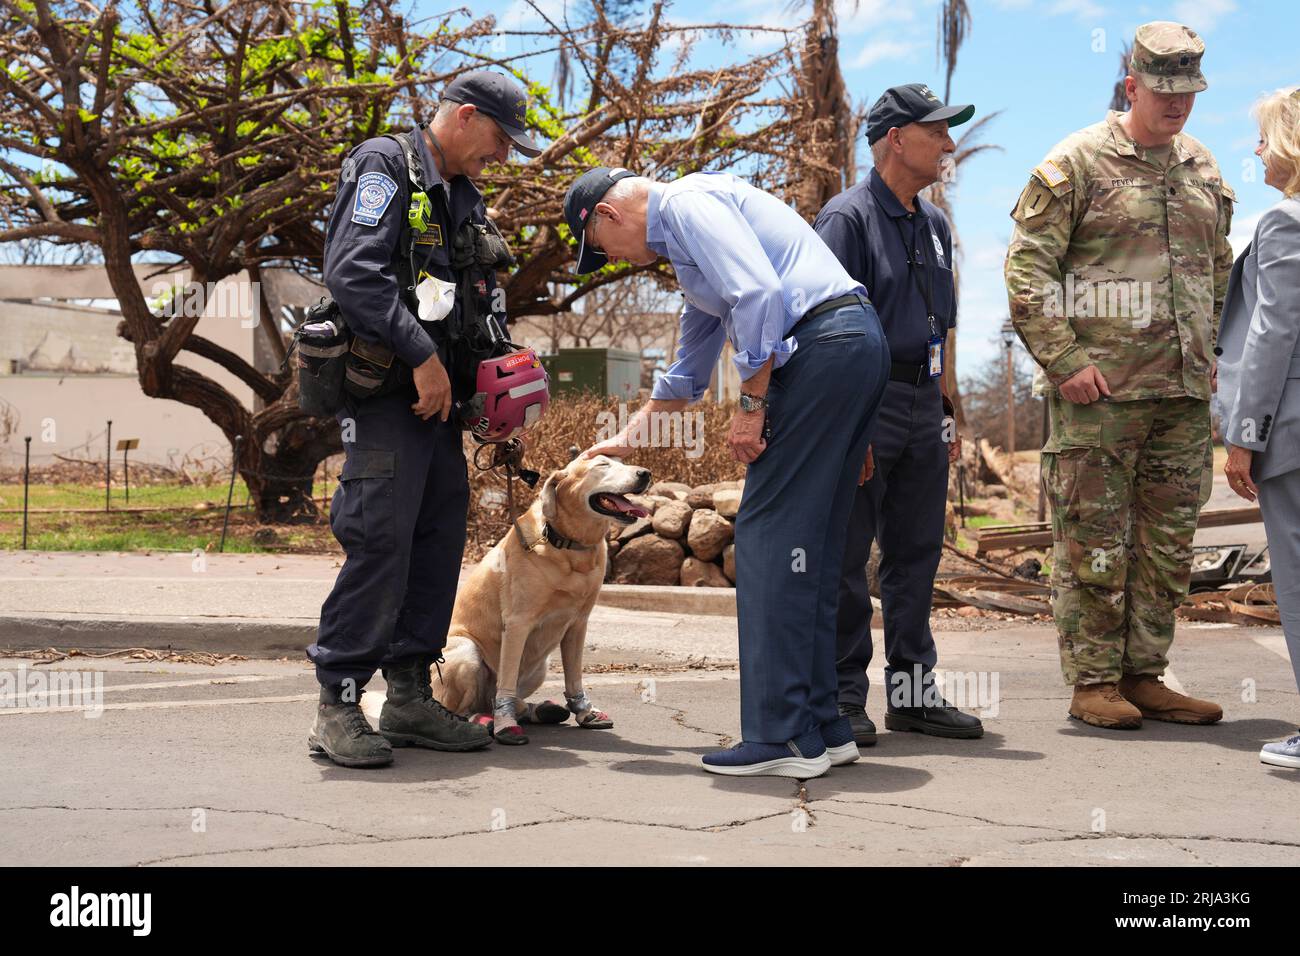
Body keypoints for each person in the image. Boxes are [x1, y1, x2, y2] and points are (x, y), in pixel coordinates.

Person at [574, 167, 890, 777]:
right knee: (813, 548)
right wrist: (624, 437)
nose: (612, 261)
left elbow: (760, 296)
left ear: (606, 216)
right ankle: (824, 725)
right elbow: (689, 369)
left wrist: (751, 403)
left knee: (770, 541)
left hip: (822, 347)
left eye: (601, 251)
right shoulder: (691, 255)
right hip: (851, 342)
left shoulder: (689, 203)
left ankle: (782, 738)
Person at [306, 71, 543, 768]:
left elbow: (474, 306)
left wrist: (502, 391)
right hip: (386, 401)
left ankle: (407, 697)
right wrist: (421, 356)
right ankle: (338, 706)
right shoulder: (383, 166)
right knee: (380, 542)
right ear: (465, 117)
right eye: (498, 140)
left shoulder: (463, 202)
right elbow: (354, 273)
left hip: (440, 410)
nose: (500, 157)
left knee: (437, 545)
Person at [1004, 21, 1234, 730]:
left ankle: (1145, 674)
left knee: (1166, 546)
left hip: (1183, 396)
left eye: (1188, 92)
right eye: (1163, 92)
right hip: (1100, 396)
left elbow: (1219, 269)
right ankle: (1094, 681)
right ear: (1132, 85)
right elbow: (1027, 268)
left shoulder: (1202, 168)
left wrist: (1212, 351)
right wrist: (1065, 360)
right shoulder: (1076, 162)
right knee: (1094, 541)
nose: (1177, 105)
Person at [814, 83, 983, 745]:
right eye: (937, 132)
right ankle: (842, 699)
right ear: (895, 139)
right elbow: (825, 330)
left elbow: (941, 325)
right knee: (849, 554)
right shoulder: (846, 220)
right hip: (867, 400)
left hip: (923, 403)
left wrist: (948, 411)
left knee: (915, 555)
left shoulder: (935, 225)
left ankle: (912, 697)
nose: (948, 144)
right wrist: (847, 424)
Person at [1216, 87, 1300, 770]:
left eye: (1266, 136)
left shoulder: (1285, 223)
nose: (1255, 149)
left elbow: (1274, 332)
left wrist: (1246, 433)